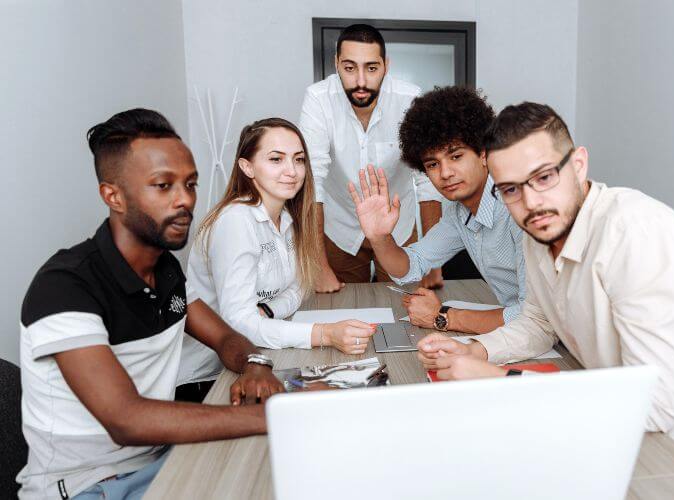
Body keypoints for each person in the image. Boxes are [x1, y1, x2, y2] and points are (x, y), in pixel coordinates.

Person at [417, 102, 674, 500]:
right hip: (619, 441)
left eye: (544, 177)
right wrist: (477, 351)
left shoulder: (640, 236)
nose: (531, 203)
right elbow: (537, 324)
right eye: (512, 189)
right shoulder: (541, 234)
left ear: (579, 165)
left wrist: (500, 381)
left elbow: (656, 406)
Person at [17, 109, 285, 499]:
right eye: (163, 186)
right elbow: (127, 421)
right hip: (86, 485)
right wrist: (272, 417)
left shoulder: (165, 268)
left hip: (159, 461)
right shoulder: (64, 287)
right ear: (113, 196)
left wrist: (255, 364)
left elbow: (226, 337)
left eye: (190, 183)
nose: (185, 201)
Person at [178, 118, 376, 388]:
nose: (291, 171)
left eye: (298, 160)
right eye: (276, 159)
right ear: (247, 167)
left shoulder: (286, 217)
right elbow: (240, 324)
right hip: (210, 376)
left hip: (263, 353)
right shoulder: (235, 221)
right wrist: (325, 334)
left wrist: (267, 311)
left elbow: (299, 288)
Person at [348, 86, 525, 334]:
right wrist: (379, 238)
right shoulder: (458, 212)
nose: (445, 173)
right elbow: (412, 266)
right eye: (433, 163)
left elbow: (533, 316)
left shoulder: (520, 208)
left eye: (456, 156)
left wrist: (442, 316)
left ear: (484, 153)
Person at [298, 23, 444, 291]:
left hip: (398, 227)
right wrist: (317, 265)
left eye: (372, 68)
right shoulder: (318, 99)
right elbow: (312, 181)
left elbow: (426, 180)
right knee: (342, 310)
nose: (361, 82)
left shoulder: (409, 99)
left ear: (386, 65)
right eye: (350, 68)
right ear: (336, 64)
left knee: (408, 305)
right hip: (338, 226)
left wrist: (434, 261)